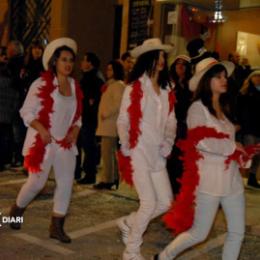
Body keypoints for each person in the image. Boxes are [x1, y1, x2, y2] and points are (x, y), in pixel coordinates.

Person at [153, 57, 249, 260]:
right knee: (199, 232)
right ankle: (164, 257)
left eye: (225, 76)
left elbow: (229, 145)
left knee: (237, 232)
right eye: (218, 77)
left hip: (232, 181)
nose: (224, 80)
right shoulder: (197, 109)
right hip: (209, 181)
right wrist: (233, 147)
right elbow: (201, 140)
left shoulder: (224, 108)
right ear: (206, 81)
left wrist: (243, 156)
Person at [9, 37, 82, 243]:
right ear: (54, 62)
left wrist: (75, 130)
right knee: (36, 183)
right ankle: (16, 210)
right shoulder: (41, 83)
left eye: (71, 60)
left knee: (66, 183)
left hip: (65, 144)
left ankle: (57, 226)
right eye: (63, 59)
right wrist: (41, 129)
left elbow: (79, 116)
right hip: (43, 142)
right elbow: (26, 111)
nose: (68, 64)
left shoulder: (75, 86)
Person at [117, 38, 176, 260]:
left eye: (163, 56)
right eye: (158, 56)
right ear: (148, 59)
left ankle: (128, 222)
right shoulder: (134, 87)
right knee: (149, 202)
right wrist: (126, 143)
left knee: (165, 202)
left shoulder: (166, 88)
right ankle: (131, 251)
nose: (162, 60)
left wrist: (168, 141)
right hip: (138, 150)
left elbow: (172, 121)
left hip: (158, 152)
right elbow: (123, 119)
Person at [94, 60, 125, 190]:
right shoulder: (111, 85)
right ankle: (112, 178)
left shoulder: (118, 85)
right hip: (106, 124)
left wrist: (106, 113)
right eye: (107, 69)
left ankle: (108, 179)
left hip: (110, 124)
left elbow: (118, 104)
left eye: (110, 69)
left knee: (107, 154)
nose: (108, 72)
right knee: (108, 153)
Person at [76, 52, 104, 183]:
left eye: (84, 60)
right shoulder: (87, 77)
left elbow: (94, 100)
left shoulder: (95, 79)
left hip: (89, 118)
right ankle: (78, 171)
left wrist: (89, 102)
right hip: (84, 117)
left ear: (90, 64)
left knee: (88, 146)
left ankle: (89, 174)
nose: (81, 62)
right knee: (81, 145)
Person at [167, 54, 192, 194]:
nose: (180, 66)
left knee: (181, 158)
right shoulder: (169, 84)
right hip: (170, 125)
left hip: (185, 127)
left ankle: (178, 188)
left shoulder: (191, 85)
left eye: (183, 64)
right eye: (178, 63)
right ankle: (169, 188)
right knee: (170, 156)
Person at [237, 70, 260, 189]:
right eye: (255, 76)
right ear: (250, 78)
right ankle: (239, 178)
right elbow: (240, 110)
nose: (258, 78)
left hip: (258, 128)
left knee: (257, 155)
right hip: (249, 127)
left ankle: (252, 177)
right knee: (248, 153)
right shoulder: (245, 92)